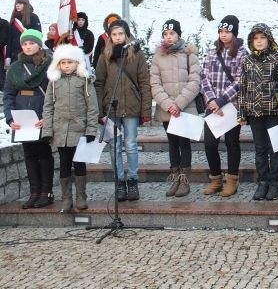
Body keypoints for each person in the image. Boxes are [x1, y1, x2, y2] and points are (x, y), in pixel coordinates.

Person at [94, 19, 152, 202]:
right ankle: (119, 181)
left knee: (130, 144)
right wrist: (99, 110)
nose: (118, 37)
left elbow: (144, 83)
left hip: (132, 107)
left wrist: (146, 110)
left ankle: (132, 180)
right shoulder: (105, 55)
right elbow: (99, 83)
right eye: (114, 34)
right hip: (111, 108)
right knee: (115, 146)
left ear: (126, 35)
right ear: (110, 37)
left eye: (121, 34)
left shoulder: (137, 54)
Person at [42, 44, 98, 213]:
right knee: (64, 163)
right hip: (60, 131)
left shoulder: (84, 81)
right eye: (63, 62)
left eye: (70, 62)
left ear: (77, 63)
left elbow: (92, 107)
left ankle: (81, 196)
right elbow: (48, 107)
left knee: (79, 163)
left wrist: (91, 130)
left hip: (79, 129)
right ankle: (66, 198)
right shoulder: (54, 83)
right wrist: (47, 130)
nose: (66, 65)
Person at [150, 19, 201, 198]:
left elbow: (195, 82)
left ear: (178, 34)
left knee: (184, 144)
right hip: (167, 109)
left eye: (172, 33)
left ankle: (185, 180)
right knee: (172, 143)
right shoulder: (157, 58)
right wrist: (168, 105)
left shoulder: (189, 55)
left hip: (185, 108)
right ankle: (175, 179)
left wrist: (178, 104)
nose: (168, 37)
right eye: (165, 34)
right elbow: (154, 84)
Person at [3, 29, 54, 209]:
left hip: (41, 117)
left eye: (31, 43)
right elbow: (9, 95)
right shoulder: (15, 68)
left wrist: (48, 117)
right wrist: (10, 118)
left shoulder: (49, 65)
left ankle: (46, 192)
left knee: (44, 153)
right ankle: (34, 192)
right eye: (25, 44)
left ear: (39, 44)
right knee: (29, 155)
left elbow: (55, 94)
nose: (28, 46)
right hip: (22, 120)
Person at [201, 15, 247, 198]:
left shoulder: (242, 53)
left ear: (234, 33)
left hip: (231, 106)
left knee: (232, 143)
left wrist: (221, 101)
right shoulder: (212, 53)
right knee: (210, 143)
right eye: (221, 31)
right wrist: (212, 101)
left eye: (227, 31)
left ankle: (232, 180)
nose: (224, 35)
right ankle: (215, 179)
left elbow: (240, 81)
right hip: (212, 106)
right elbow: (204, 78)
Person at [238, 23, 278, 201]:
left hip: (273, 111)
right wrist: (241, 113)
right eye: (255, 38)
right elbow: (242, 87)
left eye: (262, 37)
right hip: (254, 113)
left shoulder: (277, 59)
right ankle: (262, 182)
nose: (259, 41)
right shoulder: (247, 60)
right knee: (260, 150)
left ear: (269, 39)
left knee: (275, 150)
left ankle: (275, 184)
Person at [5, 0, 42, 69]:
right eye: (16, 4)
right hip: (14, 54)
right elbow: (10, 39)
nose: (17, 5)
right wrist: (8, 56)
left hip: (29, 52)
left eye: (20, 3)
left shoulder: (33, 17)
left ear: (26, 5)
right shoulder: (14, 19)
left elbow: (38, 34)